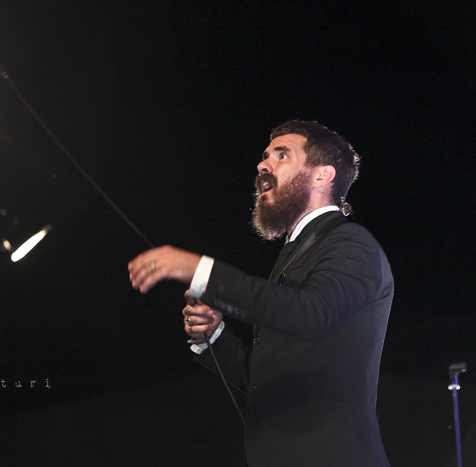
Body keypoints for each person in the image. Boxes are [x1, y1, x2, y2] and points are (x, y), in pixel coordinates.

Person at [128, 120, 393, 467]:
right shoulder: (294, 254)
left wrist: (200, 270)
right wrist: (214, 336)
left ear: (322, 176)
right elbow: (265, 379)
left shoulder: (352, 243)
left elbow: (312, 315)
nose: (263, 164)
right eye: (266, 155)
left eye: (282, 155)